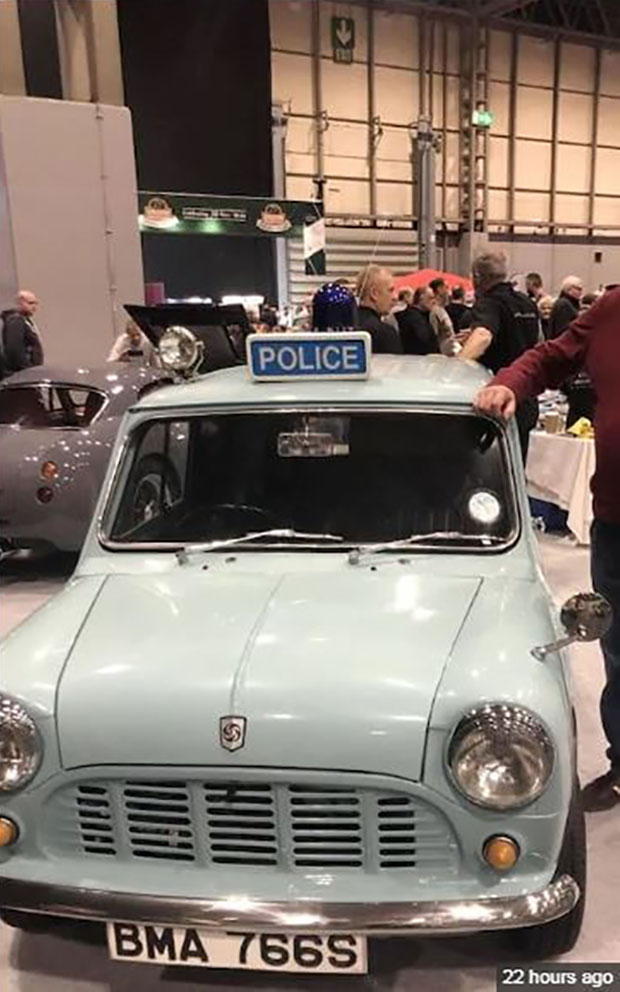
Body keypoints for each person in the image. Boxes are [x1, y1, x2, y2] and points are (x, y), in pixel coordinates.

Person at [473, 287, 620, 812]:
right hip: (615, 519)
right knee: (616, 647)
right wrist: (508, 381)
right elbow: (551, 356)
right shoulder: (610, 311)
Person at [458, 251, 540, 460]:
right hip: (527, 397)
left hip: (499, 399)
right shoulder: (527, 303)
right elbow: (537, 342)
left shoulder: (488, 302)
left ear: (477, 277)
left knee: (491, 467)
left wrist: (456, 367)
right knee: (518, 465)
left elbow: (484, 336)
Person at [354, 264, 402, 353]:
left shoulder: (347, 327)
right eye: (390, 290)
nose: (395, 297)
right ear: (374, 293)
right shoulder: (385, 333)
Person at [0, 290, 44, 379]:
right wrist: (27, 370)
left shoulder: (24, 321)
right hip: (20, 376)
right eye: (30, 303)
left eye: (36, 303)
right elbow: (14, 348)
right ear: (20, 303)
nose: (34, 307)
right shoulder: (15, 321)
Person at [396, 286, 440, 355]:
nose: (434, 301)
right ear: (421, 298)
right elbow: (424, 342)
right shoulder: (415, 318)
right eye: (430, 298)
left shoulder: (420, 316)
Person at [429, 278, 457, 356]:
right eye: (446, 287)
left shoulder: (442, 310)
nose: (449, 292)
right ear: (440, 289)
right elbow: (434, 336)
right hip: (442, 356)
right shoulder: (434, 311)